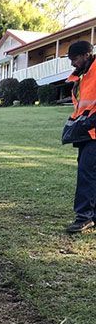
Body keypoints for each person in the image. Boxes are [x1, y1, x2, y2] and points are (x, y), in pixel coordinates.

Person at [61, 40, 96, 233]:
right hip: (86, 132)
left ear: (86, 55)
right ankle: (92, 215)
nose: (72, 63)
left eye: (74, 59)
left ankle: (84, 217)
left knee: (86, 173)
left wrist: (90, 121)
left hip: (93, 131)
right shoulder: (82, 76)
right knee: (91, 173)